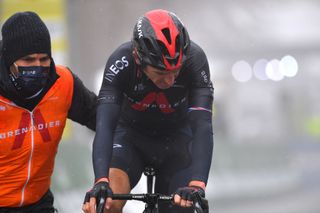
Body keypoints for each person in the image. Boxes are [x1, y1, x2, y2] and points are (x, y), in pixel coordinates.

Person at [83, 9, 213, 213]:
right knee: (106, 205)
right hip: (130, 139)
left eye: (175, 71)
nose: (170, 80)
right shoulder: (121, 62)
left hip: (177, 141)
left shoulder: (195, 61)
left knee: (185, 208)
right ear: (139, 59)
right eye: (161, 72)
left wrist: (197, 184)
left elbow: (202, 125)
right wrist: (101, 181)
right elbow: (105, 125)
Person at [0, 11, 97, 213]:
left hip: (39, 203)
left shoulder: (63, 83)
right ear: (9, 61)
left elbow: (106, 120)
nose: (37, 66)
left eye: (44, 59)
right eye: (28, 60)